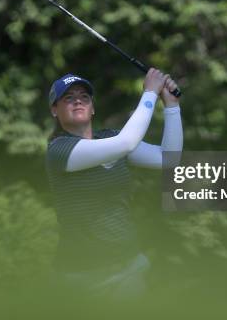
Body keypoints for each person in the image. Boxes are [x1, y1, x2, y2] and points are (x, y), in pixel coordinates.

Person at [45, 68, 183, 299]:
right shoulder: (59, 150)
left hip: (128, 268)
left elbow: (168, 159)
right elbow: (126, 143)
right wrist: (150, 93)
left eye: (84, 97)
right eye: (68, 98)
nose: (78, 101)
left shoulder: (110, 137)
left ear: (93, 108)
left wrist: (172, 107)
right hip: (82, 280)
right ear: (54, 110)